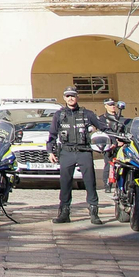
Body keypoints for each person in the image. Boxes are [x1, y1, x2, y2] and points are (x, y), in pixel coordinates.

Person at [47, 87, 104, 224]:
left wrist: (111, 140)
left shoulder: (87, 114)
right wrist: (50, 152)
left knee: (90, 182)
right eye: (68, 96)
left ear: (77, 97)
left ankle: (94, 212)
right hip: (66, 152)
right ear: (64, 98)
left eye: (73, 96)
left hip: (84, 151)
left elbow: (103, 128)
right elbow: (52, 135)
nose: (71, 98)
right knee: (65, 183)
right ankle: (64, 213)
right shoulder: (59, 115)